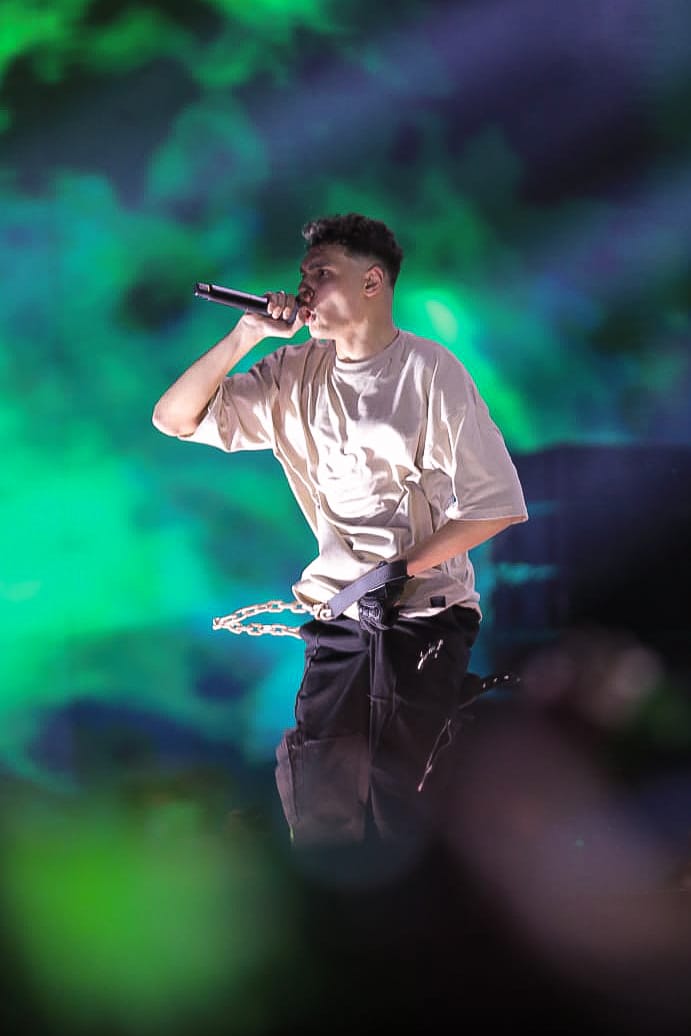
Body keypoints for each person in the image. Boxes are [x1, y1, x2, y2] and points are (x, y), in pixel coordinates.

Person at [152, 213, 528, 849]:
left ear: (372, 282)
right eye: (303, 274)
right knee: (320, 792)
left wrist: (397, 573)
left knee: (397, 796)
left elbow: (496, 505)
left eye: (322, 273)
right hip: (338, 614)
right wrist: (247, 334)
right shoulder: (291, 373)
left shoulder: (429, 371)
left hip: (422, 613)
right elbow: (174, 418)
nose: (305, 288)